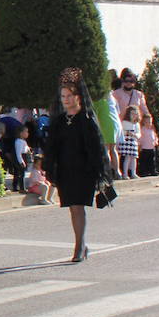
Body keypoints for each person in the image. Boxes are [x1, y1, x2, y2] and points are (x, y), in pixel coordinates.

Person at [43, 69, 107, 263]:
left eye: (69, 96)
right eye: (63, 96)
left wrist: (99, 172)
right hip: (65, 169)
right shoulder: (60, 121)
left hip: (83, 170)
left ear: (78, 97)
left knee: (78, 207)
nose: (66, 100)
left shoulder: (86, 119)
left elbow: (96, 147)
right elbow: (52, 146)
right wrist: (49, 167)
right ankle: (82, 243)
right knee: (72, 208)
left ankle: (79, 246)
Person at [118, 106, 140, 179]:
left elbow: (139, 134)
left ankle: (133, 173)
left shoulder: (137, 124)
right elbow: (121, 131)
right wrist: (127, 132)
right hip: (126, 141)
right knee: (127, 158)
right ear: (128, 114)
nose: (134, 115)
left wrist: (135, 135)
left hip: (133, 142)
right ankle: (125, 174)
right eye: (132, 113)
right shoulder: (124, 122)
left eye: (135, 114)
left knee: (134, 158)